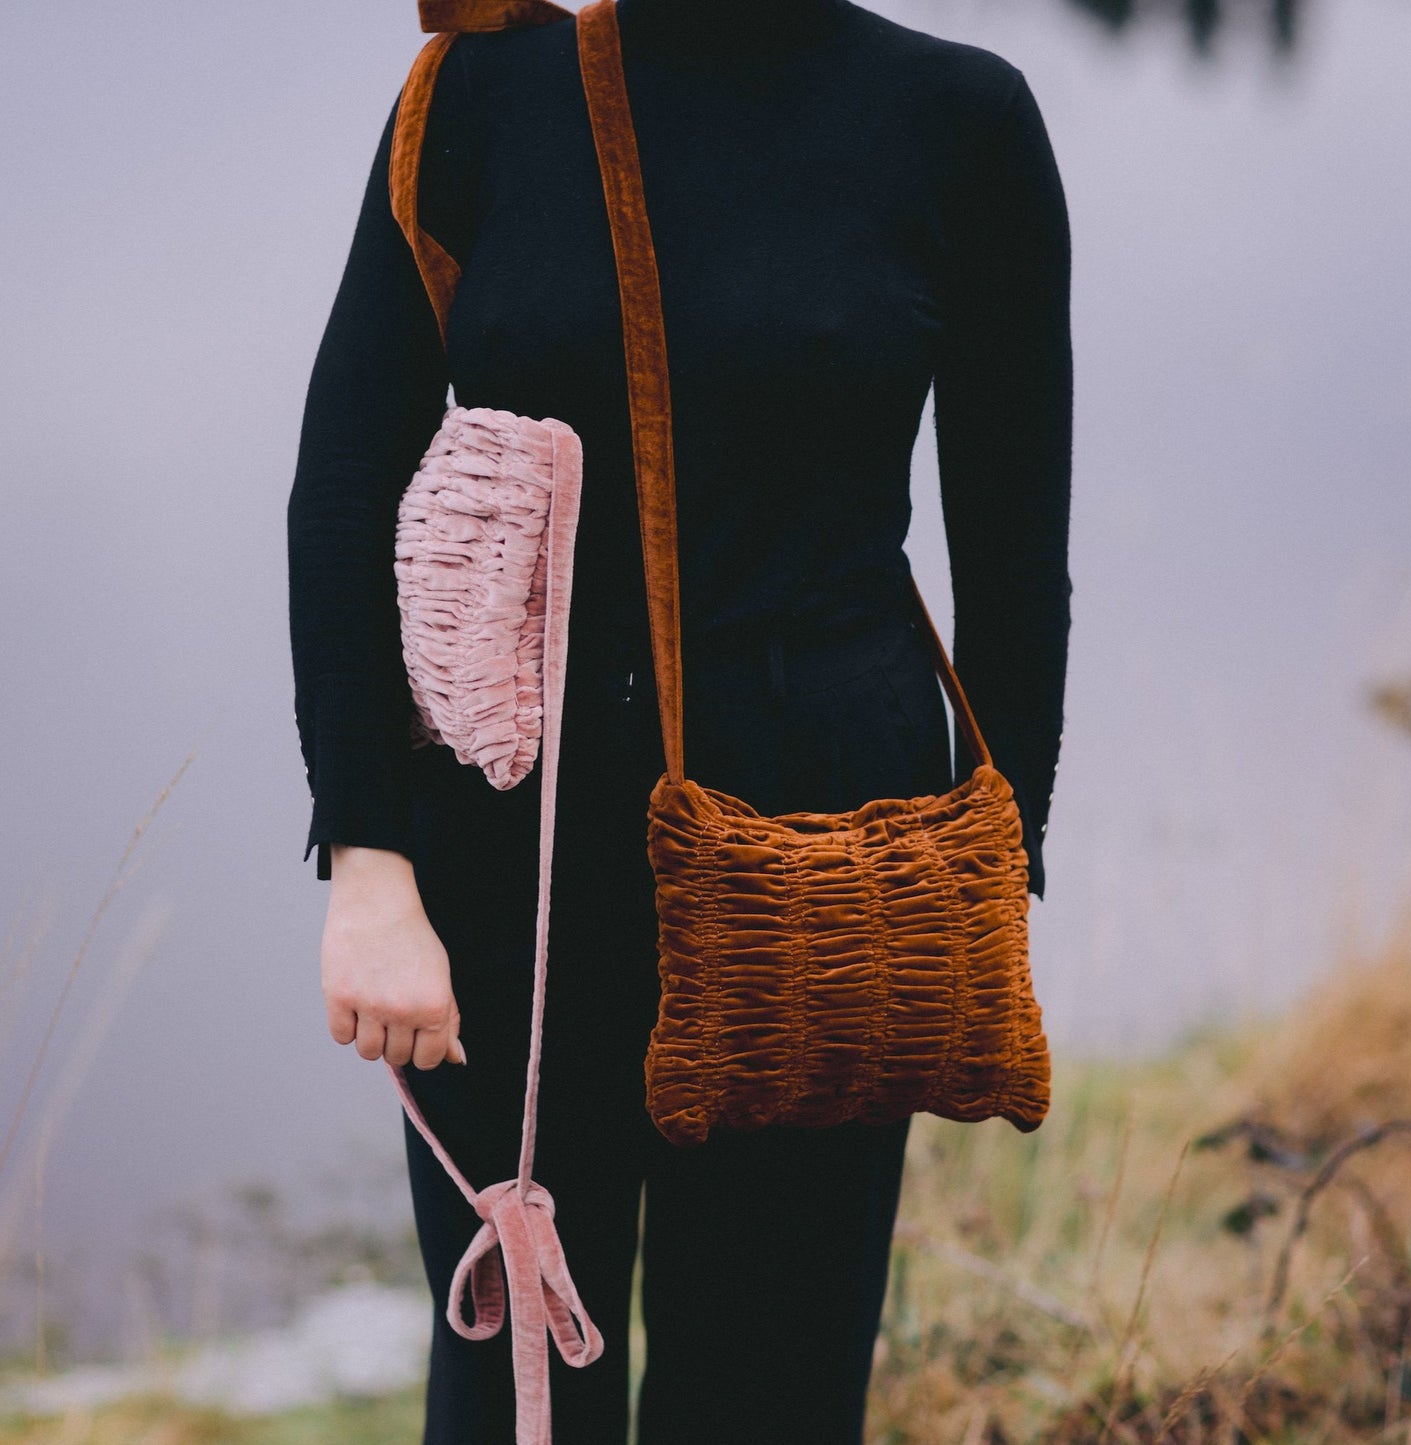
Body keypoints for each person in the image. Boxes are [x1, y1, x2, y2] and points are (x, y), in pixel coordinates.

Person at [285, 0, 1072, 1438]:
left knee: (770, 1394)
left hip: (826, 868)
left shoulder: (960, 119)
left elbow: (1015, 557)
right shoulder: (480, 91)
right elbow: (345, 484)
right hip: (514, 871)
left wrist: (986, 870)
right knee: (518, 1388)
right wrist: (369, 866)